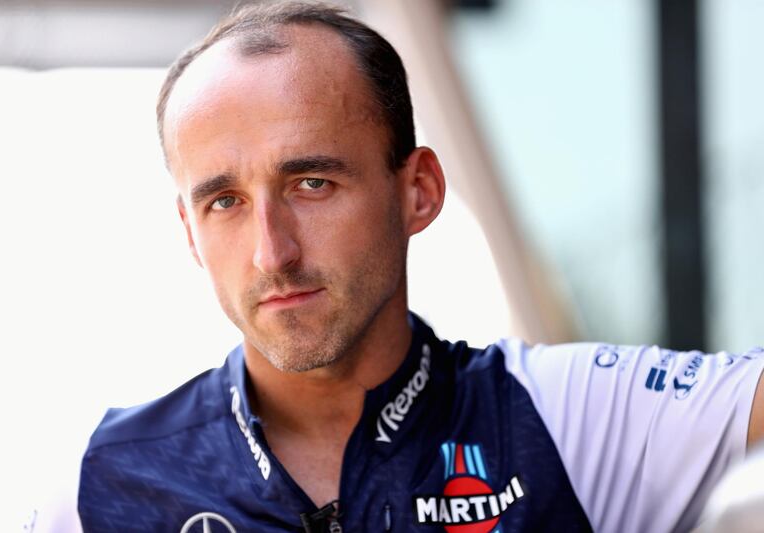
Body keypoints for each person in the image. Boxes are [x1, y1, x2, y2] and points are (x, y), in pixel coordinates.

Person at [77, 2, 764, 532]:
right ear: (190, 234)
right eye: (224, 201)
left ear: (419, 190)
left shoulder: (564, 416)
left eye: (312, 184)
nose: (272, 252)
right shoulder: (100, 483)